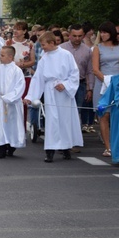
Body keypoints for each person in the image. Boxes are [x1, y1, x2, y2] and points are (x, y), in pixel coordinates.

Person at [24, 32, 83, 162]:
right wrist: (31, 96)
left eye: (44, 45)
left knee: (65, 120)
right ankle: (50, 150)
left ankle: (66, 148)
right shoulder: (45, 57)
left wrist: (65, 84)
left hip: (64, 93)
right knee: (52, 121)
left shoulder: (66, 55)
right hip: (51, 91)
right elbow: (38, 78)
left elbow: (74, 74)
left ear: (52, 43)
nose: (42, 47)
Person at [92, 21, 119, 157]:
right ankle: (108, 146)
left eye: (106, 32)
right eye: (102, 32)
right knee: (104, 115)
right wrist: (107, 80)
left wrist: (118, 82)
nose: (104, 35)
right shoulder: (97, 48)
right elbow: (95, 69)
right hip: (103, 83)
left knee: (118, 115)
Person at [60, 24, 95, 133]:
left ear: (83, 36)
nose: (77, 38)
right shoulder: (61, 48)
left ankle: (74, 137)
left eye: (80, 36)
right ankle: (63, 136)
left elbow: (90, 70)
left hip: (80, 84)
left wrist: (90, 89)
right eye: (74, 36)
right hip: (64, 85)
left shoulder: (87, 50)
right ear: (69, 35)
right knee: (64, 111)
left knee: (76, 111)